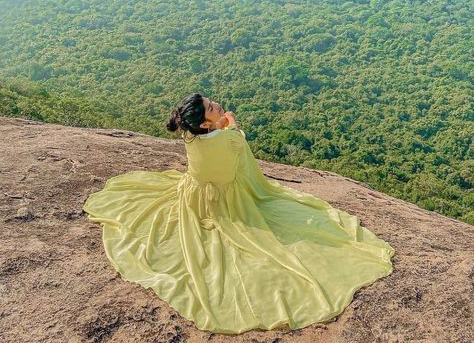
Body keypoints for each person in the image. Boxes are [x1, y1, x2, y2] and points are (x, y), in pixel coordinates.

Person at [83, 92, 395, 334]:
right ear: (205, 122)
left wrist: (217, 124)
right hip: (231, 201)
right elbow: (237, 141)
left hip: (193, 196)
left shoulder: (189, 135)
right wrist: (229, 122)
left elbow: (212, 136)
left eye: (211, 102)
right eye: (211, 107)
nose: (217, 105)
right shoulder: (229, 137)